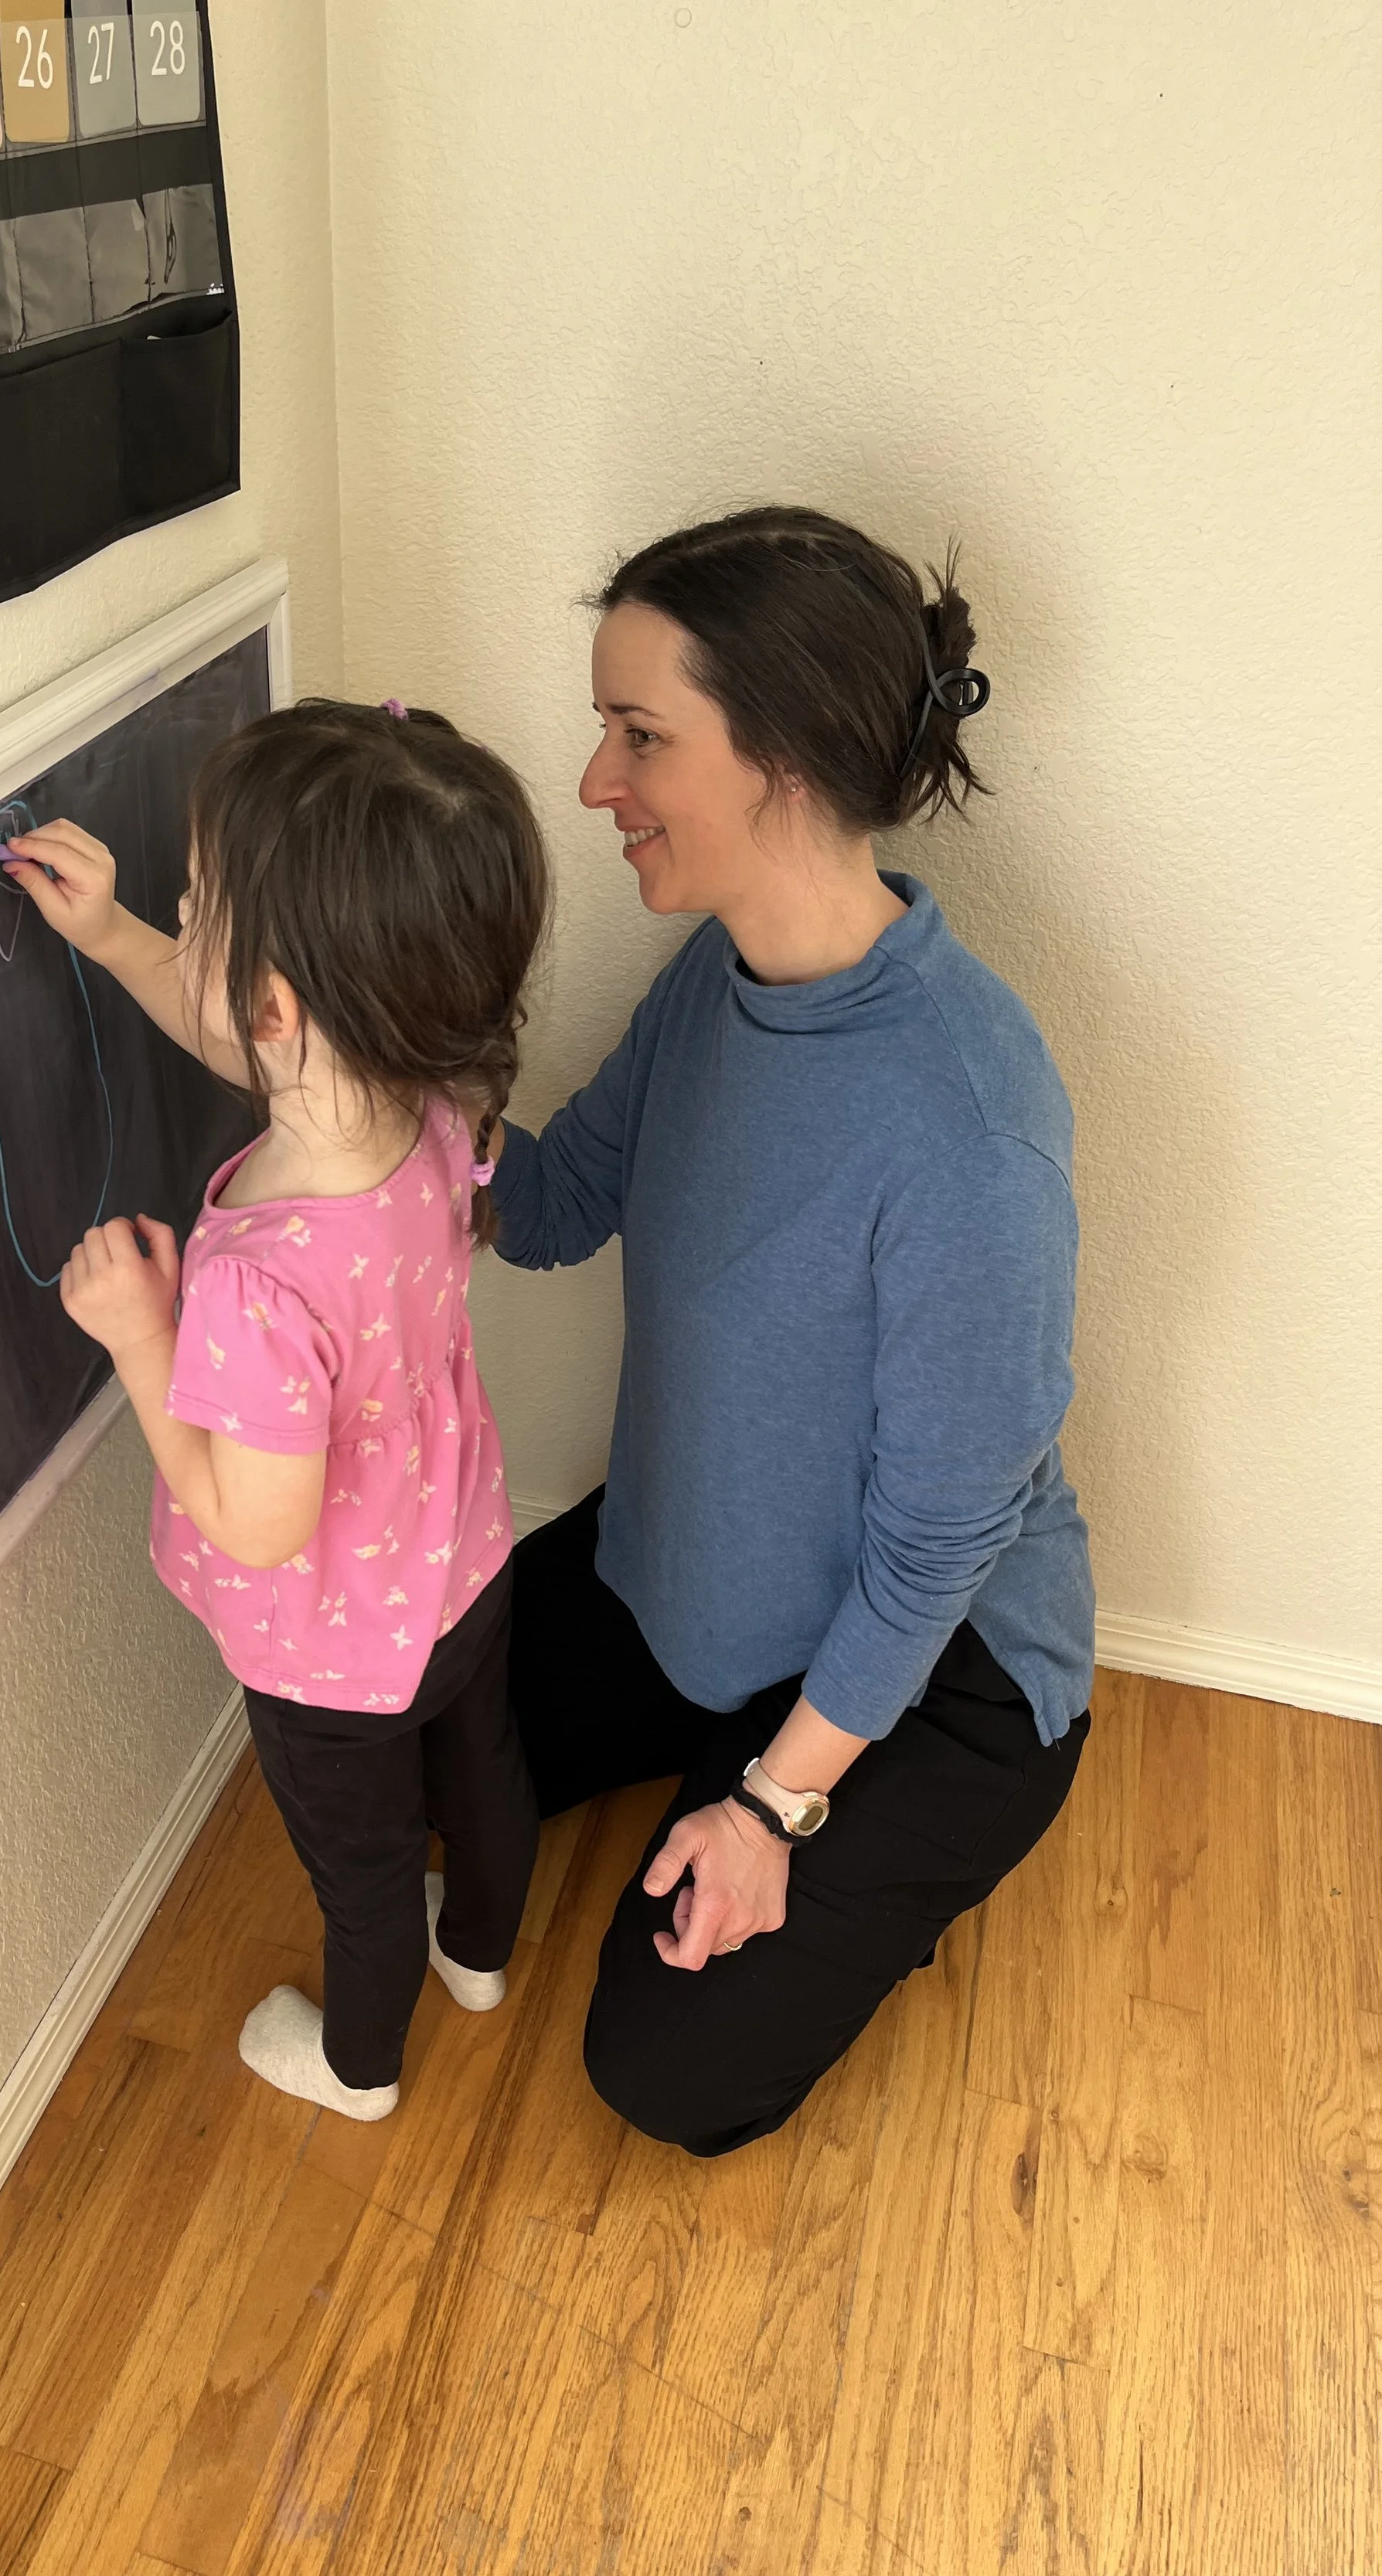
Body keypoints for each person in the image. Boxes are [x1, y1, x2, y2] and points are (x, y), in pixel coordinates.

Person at [490, 505, 1096, 2157]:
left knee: (664, 2071)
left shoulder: (963, 1127)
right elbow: (548, 1208)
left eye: (637, 735)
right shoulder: (714, 977)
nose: (592, 781)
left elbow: (933, 1544)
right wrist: (378, 1072)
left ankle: (835, 1829)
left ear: (781, 763)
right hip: (699, 1571)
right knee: (413, 1741)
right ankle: (710, 1741)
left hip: (928, 1662)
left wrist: (769, 1803)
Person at [2, 701, 550, 2122]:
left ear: (282, 1008)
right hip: (465, 1564)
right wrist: (119, 935)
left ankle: (359, 2069)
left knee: (366, 1878)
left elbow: (256, 1524)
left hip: (328, 1655)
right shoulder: (432, 1109)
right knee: (483, 1779)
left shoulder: (252, 1281)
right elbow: (265, 1041)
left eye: (202, 909)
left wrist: (141, 1337)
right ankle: (481, 1957)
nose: (183, 911)